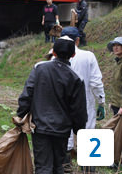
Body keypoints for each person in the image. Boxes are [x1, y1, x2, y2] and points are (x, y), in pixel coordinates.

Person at [17, 36, 87, 174]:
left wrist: (20, 115)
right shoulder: (75, 78)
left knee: (43, 166)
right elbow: (78, 109)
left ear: (53, 53)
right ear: (73, 55)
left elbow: (27, 94)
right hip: (62, 129)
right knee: (58, 165)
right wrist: (79, 129)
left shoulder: (39, 69)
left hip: (40, 127)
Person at [60, 27, 105, 173]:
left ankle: (66, 168)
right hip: (85, 102)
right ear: (78, 40)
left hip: (63, 102)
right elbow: (96, 82)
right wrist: (101, 102)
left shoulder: (56, 57)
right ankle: (88, 169)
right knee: (88, 132)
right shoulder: (88, 56)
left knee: (66, 134)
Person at [106, 37, 122, 116]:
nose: (115, 47)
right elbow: (116, 84)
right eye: (114, 45)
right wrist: (112, 102)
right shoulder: (117, 63)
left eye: (118, 45)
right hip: (116, 104)